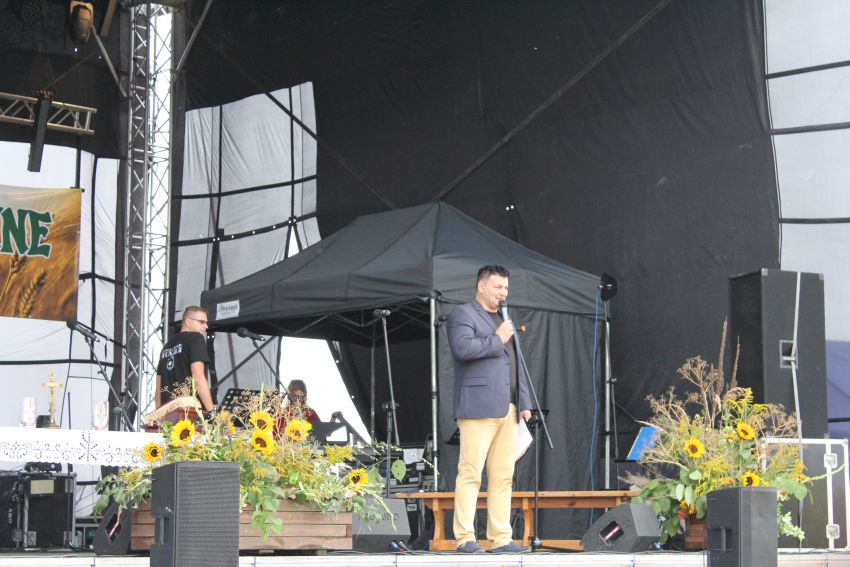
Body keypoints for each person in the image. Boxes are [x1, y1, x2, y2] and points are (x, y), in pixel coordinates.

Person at [447, 265, 531, 554]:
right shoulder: (463, 314)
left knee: (503, 476)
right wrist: (498, 339)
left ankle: (501, 538)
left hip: (508, 408)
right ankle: (465, 538)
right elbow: (462, 349)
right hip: (477, 408)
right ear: (481, 286)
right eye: (497, 287)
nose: (503, 293)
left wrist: (524, 402)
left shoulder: (504, 319)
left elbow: (516, 363)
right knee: (471, 473)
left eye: (505, 288)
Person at [155, 306, 215, 413]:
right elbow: (198, 378)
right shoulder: (195, 338)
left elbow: (158, 390)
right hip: (189, 413)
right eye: (201, 322)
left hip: (168, 415)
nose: (206, 326)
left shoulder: (166, 347)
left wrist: (158, 417)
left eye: (206, 323)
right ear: (188, 322)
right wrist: (212, 412)